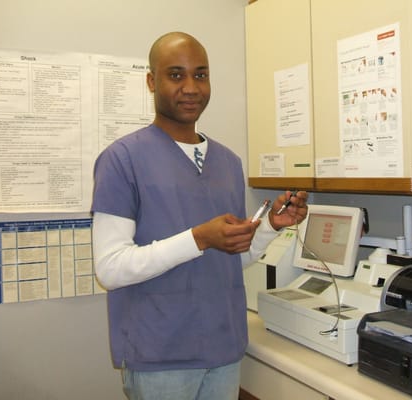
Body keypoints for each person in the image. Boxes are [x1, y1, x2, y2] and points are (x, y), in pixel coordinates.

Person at [91, 31, 308, 400]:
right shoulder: (122, 160)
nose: (191, 87)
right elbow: (110, 269)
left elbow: (229, 260)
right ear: (151, 81)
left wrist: (270, 227)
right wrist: (198, 238)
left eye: (201, 75)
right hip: (161, 357)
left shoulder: (227, 162)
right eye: (176, 75)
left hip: (224, 350)